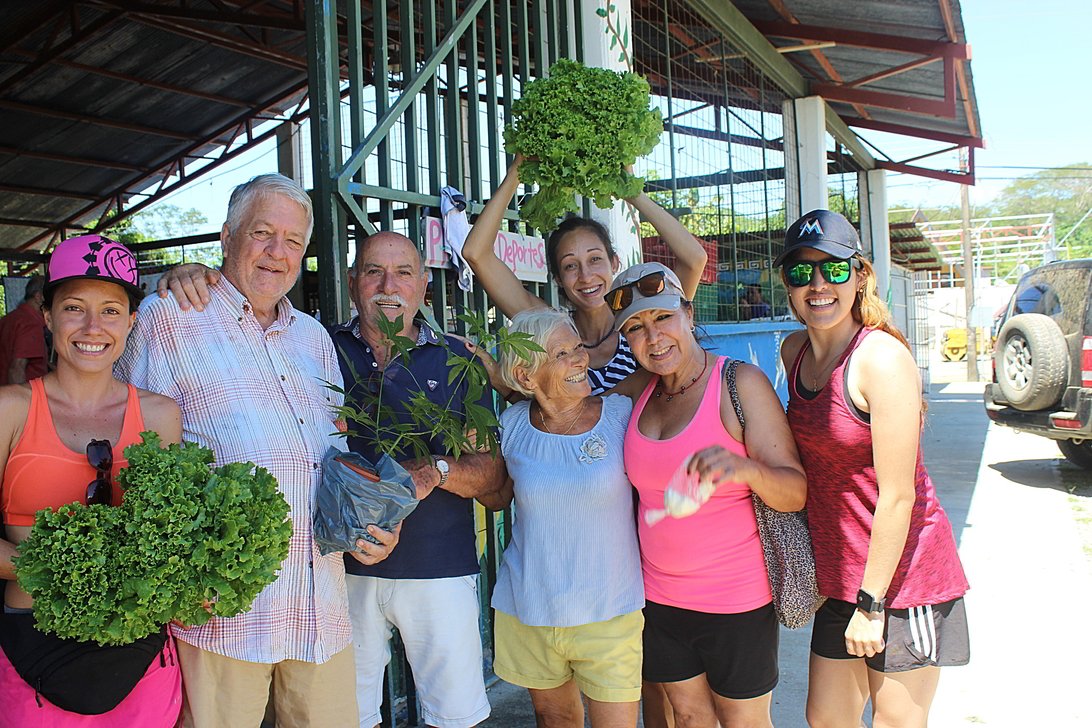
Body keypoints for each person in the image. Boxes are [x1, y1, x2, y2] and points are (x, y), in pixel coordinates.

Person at [116, 174, 398, 727]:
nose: (277, 253)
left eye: (293, 241)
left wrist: (370, 522)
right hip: (222, 613)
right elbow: (129, 456)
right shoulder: (168, 317)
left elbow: (331, 457)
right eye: (262, 233)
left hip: (318, 606)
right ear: (226, 236)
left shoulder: (313, 338)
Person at [775, 210, 969, 728]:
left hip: (902, 581)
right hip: (841, 577)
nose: (817, 285)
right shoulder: (793, 352)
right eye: (801, 272)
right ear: (787, 285)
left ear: (860, 276)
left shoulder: (880, 359)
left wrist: (872, 603)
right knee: (827, 718)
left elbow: (898, 496)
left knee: (895, 722)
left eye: (834, 270)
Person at [606, 262, 807, 728]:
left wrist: (744, 468)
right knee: (690, 717)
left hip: (735, 599)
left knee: (743, 722)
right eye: (635, 328)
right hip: (657, 598)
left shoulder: (739, 384)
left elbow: (795, 491)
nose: (653, 338)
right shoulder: (637, 392)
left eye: (662, 318)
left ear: (688, 314)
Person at [0, 235, 182, 725]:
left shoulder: (160, 416)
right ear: (47, 315)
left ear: (131, 321)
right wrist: (63, 572)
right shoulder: (10, 409)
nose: (92, 327)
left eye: (111, 310)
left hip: (141, 656)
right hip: (29, 652)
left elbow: (174, 536)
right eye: (74, 307)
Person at [330, 231, 508, 728]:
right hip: (337, 571)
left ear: (424, 284)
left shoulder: (458, 359)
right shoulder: (317, 348)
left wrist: (434, 470)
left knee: (454, 716)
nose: (389, 285)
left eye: (404, 272)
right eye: (373, 272)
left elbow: (495, 482)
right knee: (342, 715)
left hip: (439, 569)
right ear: (352, 282)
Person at [491, 308, 644, 728]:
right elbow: (497, 499)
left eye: (578, 347)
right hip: (530, 608)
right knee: (554, 720)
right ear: (526, 376)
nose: (580, 359)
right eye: (562, 353)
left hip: (610, 610)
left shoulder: (620, 414)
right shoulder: (510, 426)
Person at [461, 156, 708, 396]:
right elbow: (476, 253)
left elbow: (695, 259)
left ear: (614, 262)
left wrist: (634, 194)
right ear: (557, 278)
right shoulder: (552, 329)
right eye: (570, 266)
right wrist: (517, 170)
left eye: (595, 259)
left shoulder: (642, 320)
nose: (586, 276)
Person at [0, 275, 48, 385]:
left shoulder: (9, 318)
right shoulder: (30, 323)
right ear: (39, 297)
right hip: (23, 395)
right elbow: (17, 367)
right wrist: (20, 400)